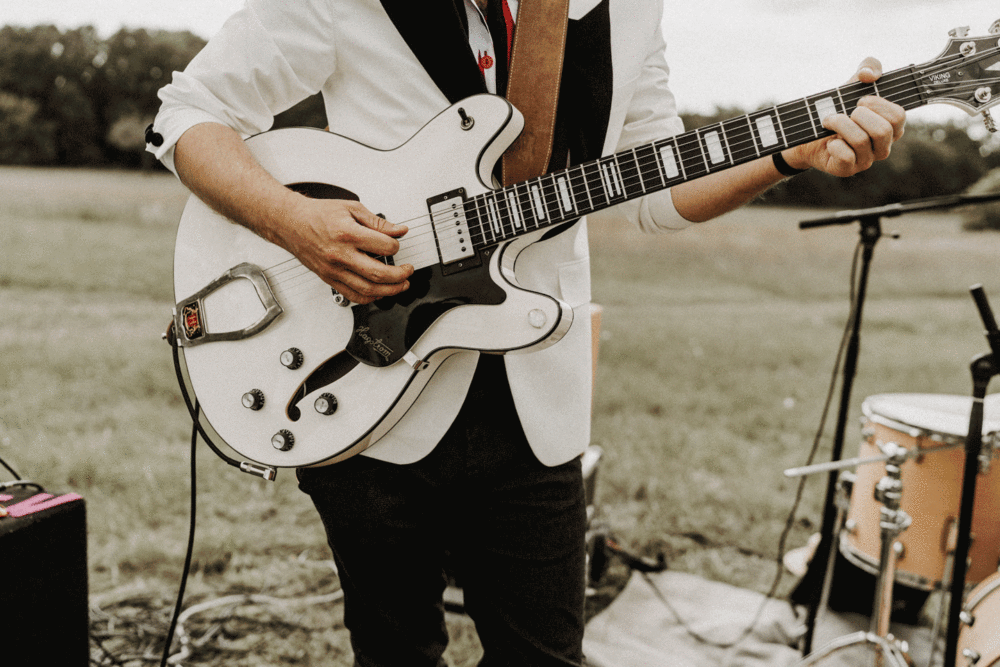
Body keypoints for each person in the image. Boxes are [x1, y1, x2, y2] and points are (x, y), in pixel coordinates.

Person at [147, 1, 906, 665]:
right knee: (394, 652)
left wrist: (784, 153)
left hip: (535, 401)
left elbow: (657, 189)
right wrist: (294, 221)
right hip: (361, 369)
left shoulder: (629, 8)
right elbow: (189, 112)